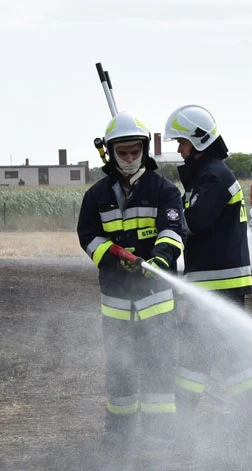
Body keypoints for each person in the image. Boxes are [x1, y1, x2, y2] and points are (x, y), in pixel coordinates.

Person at [77, 112, 186, 440]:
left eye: (134, 151)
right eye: (122, 153)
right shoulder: (97, 195)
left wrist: (161, 259)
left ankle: (159, 435)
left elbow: (173, 230)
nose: (128, 158)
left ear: (144, 149)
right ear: (111, 153)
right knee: (120, 370)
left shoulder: (164, 190)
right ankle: (120, 433)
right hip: (116, 301)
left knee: (158, 367)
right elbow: (88, 236)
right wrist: (114, 259)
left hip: (156, 299)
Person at [164, 104, 252, 414]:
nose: (180, 151)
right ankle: (189, 412)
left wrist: (166, 205)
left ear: (198, 142)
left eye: (182, 143)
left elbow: (194, 221)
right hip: (214, 281)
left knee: (226, 352)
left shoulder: (214, 177)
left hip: (219, 282)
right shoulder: (207, 175)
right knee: (206, 351)